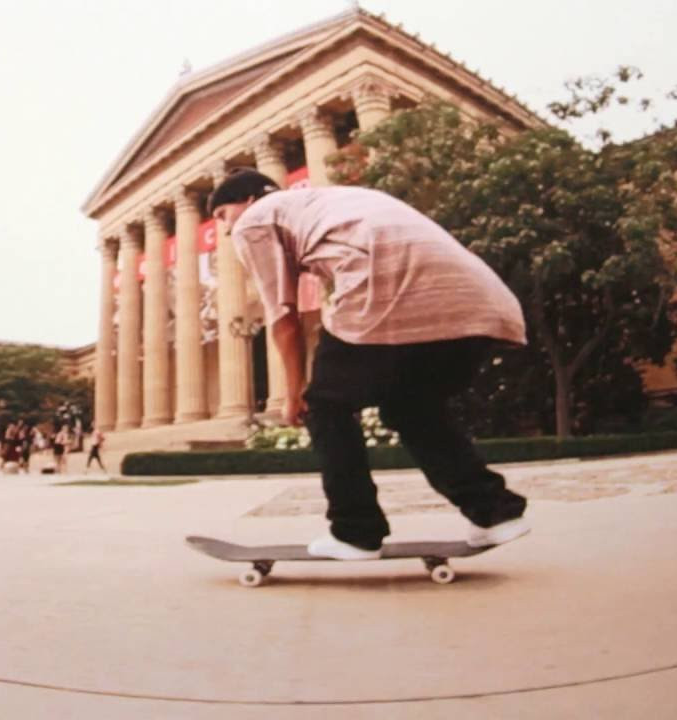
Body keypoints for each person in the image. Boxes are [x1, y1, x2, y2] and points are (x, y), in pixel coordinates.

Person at [209, 169, 530, 560]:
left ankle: (355, 531)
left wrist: (293, 393)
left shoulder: (257, 219)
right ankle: (495, 512)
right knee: (412, 407)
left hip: (393, 286)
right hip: (480, 300)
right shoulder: (335, 201)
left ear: (247, 200)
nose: (226, 232)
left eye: (223, 216)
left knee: (324, 405)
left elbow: (284, 320)